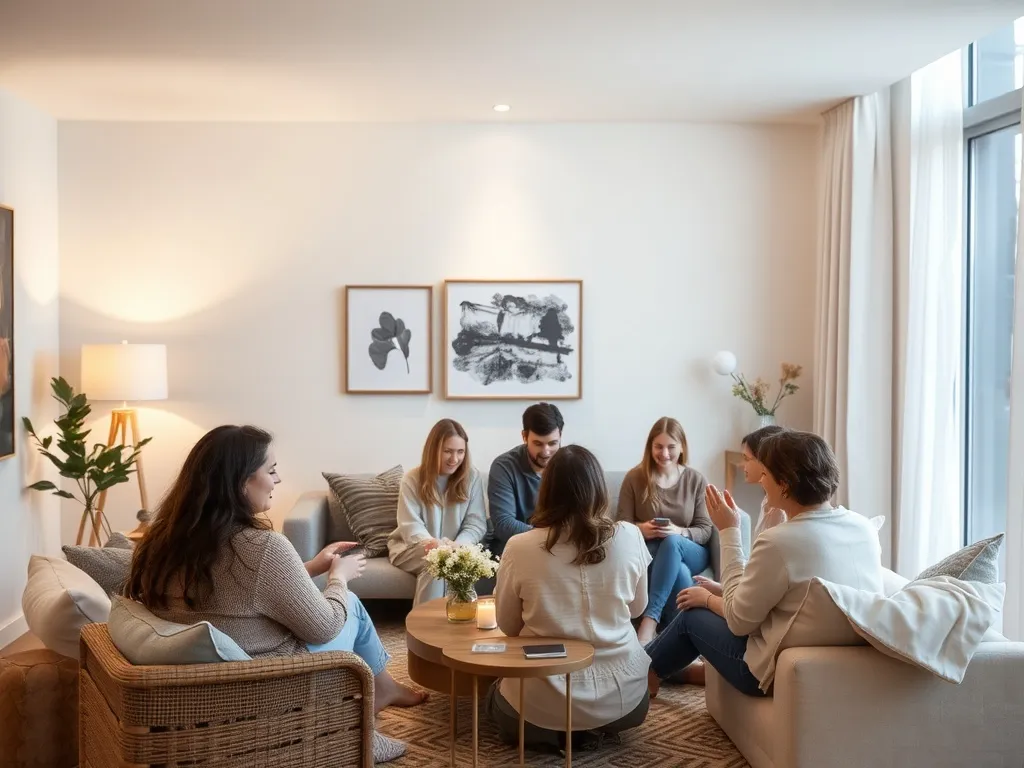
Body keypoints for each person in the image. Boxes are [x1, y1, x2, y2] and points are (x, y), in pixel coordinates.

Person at [125, 425, 427, 727]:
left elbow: (239, 593)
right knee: (350, 605)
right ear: (242, 481)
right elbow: (325, 628)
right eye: (271, 470)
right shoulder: (262, 546)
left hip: (209, 685)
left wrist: (310, 567)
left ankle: (385, 688)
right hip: (274, 680)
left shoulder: (162, 541)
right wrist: (339, 577)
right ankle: (381, 691)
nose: (278, 479)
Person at [645, 429, 884, 697]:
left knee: (692, 614)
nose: (761, 482)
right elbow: (789, 598)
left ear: (784, 484)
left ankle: (641, 671)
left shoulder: (779, 541)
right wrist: (720, 591)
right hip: (838, 660)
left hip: (766, 672)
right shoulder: (862, 527)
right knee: (696, 607)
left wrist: (728, 532)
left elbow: (739, 622)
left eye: (765, 475)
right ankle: (653, 669)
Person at [487, 445, 652, 753]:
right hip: (625, 702)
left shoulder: (519, 546)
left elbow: (508, 627)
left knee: (493, 702)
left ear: (546, 491)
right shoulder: (630, 535)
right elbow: (637, 608)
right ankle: (593, 730)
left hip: (540, 704)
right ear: (600, 490)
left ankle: (558, 735)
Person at [617, 417, 712, 644]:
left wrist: (679, 532)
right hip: (652, 554)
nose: (664, 454)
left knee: (672, 544)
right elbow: (620, 525)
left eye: (671, 447)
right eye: (658, 447)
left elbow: (705, 529)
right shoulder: (635, 478)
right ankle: (679, 638)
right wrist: (641, 529)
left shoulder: (695, 480)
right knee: (678, 571)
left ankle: (650, 621)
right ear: (650, 447)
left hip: (691, 550)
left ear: (682, 448)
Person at [387, 418, 488, 604]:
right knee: (436, 562)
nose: (454, 459)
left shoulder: (472, 478)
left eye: (460, 452)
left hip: (454, 547)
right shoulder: (412, 479)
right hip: (411, 548)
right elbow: (410, 525)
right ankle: (422, 630)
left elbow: (476, 523)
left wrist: (459, 545)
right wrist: (433, 545)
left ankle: (459, 625)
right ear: (434, 450)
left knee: (454, 563)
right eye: (447, 451)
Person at [691, 424, 788, 598]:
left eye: (746, 458)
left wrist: (709, 600)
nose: (743, 465)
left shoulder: (779, 513)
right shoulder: (768, 502)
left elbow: (760, 593)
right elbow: (757, 574)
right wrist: (724, 589)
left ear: (765, 460)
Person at [487, 402, 564, 557]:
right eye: (538, 444)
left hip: (560, 551)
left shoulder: (570, 465)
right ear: (524, 436)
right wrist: (552, 537)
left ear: (560, 436)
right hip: (517, 551)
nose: (546, 452)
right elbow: (504, 524)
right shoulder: (504, 466)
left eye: (552, 443)